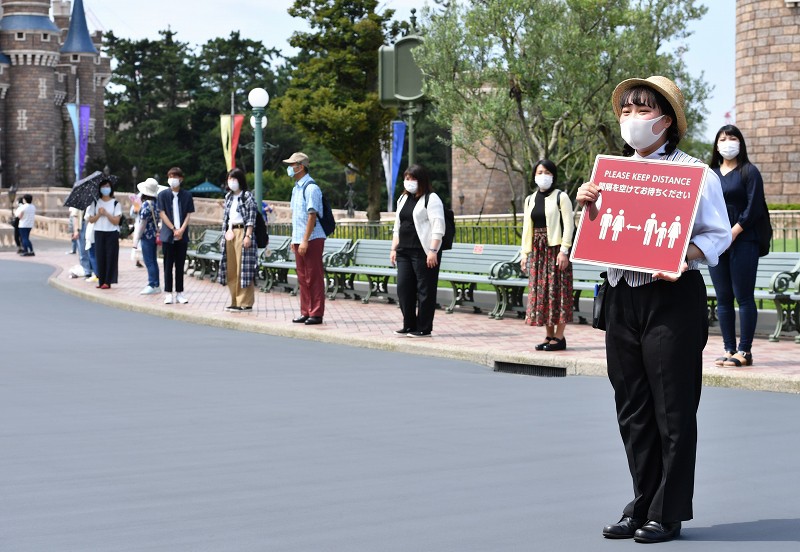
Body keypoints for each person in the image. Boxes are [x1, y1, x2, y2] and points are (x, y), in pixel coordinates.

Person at [576, 76, 731, 544]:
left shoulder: (695, 174)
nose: (630, 118)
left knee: (673, 408)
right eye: (625, 109)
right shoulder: (613, 173)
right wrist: (588, 207)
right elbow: (607, 237)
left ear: (665, 120)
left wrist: (684, 258)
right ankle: (641, 501)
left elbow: (718, 236)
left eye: (640, 109)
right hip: (621, 295)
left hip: (671, 297)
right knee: (632, 407)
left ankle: (668, 511)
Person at [708, 125, 764, 368]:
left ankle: (745, 350)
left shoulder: (749, 172)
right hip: (718, 245)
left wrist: (733, 232)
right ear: (716, 145)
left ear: (740, 143)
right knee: (723, 298)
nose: (727, 142)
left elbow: (754, 208)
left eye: (732, 138)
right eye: (723, 138)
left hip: (744, 241)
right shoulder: (711, 174)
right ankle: (729, 348)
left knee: (743, 297)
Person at [520, 159, 575, 351]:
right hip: (538, 251)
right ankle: (549, 335)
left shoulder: (561, 197)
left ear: (553, 175)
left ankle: (559, 337)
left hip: (556, 250)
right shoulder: (530, 199)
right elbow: (527, 228)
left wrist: (564, 250)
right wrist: (525, 253)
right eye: (539, 172)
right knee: (543, 293)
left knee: (558, 293)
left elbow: (569, 225)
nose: (543, 176)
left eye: (547, 172)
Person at [389, 164, 446, 338]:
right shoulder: (402, 199)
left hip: (424, 251)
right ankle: (409, 324)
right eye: (407, 178)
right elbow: (397, 227)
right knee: (404, 289)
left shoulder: (431, 198)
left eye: (412, 178)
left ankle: (423, 327)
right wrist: (393, 248)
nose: (409, 182)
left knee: (425, 290)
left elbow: (438, 226)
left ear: (421, 180)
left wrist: (433, 250)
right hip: (404, 251)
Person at [285, 152, 326, 325]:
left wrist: (304, 240)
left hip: (312, 238)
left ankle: (316, 313)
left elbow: (312, 216)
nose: (289, 168)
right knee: (302, 277)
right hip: (300, 239)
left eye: (292, 164)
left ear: (300, 166)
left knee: (313, 276)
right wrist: (294, 239)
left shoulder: (311, 188)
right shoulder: (296, 188)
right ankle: (306, 310)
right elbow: (297, 217)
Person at [218, 168, 258, 312]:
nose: (231, 182)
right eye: (229, 179)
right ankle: (234, 300)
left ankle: (245, 302)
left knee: (244, 268)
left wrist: (248, 236)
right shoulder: (228, 197)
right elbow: (226, 218)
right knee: (231, 268)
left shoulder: (247, 196)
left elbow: (251, 219)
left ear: (240, 180)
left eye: (234, 179)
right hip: (230, 232)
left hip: (242, 231)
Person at [157, 167, 195, 305]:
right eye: (170, 176)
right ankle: (168, 293)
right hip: (168, 235)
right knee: (168, 265)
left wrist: (181, 230)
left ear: (181, 179)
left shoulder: (187, 195)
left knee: (180, 266)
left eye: (175, 176)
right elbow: (162, 213)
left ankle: (180, 292)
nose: (173, 179)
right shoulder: (162, 195)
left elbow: (188, 214)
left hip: (182, 235)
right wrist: (173, 229)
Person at [84, 177, 121, 289]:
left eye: (107, 186)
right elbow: (91, 220)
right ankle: (101, 281)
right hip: (99, 232)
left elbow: (116, 221)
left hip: (112, 233)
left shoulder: (115, 203)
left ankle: (108, 281)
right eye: (103, 186)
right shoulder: (95, 203)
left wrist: (106, 213)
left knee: (110, 257)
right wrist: (99, 214)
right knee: (100, 256)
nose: (106, 189)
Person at [136, 178, 164, 295]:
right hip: (155, 235)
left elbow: (142, 224)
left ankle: (153, 283)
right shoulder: (157, 204)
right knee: (153, 260)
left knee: (149, 261)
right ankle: (156, 283)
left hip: (146, 236)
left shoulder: (146, 205)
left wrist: (135, 239)